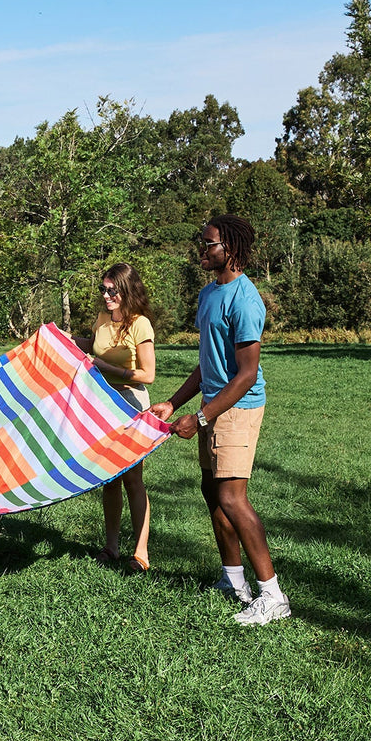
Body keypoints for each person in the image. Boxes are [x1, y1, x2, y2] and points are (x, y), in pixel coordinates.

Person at [150, 215, 291, 626]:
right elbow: (207, 362)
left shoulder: (245, 300)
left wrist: (200, 417)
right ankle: (233, 580)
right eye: (202, 241)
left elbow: (246, 375)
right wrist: (173, 403)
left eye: (209, 243)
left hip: (237, 409)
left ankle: (273, 596)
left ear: (230, 248)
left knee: (232, 498)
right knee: (212, 491)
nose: (202, 249)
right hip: (212, 406)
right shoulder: (209, 293)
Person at [74, 263, 156, 573]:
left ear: (127, 291)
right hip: (102, 405)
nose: (106, 295)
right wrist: (62, 337)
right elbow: (94, 347)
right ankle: (111, 547)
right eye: (104, 289)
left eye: (113, 290)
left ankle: (140, 553)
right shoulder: (102, 319)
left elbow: (148, 374)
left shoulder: (140, 324)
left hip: (130, 403)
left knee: (133, 479)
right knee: (108, 479)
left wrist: (108, 369)